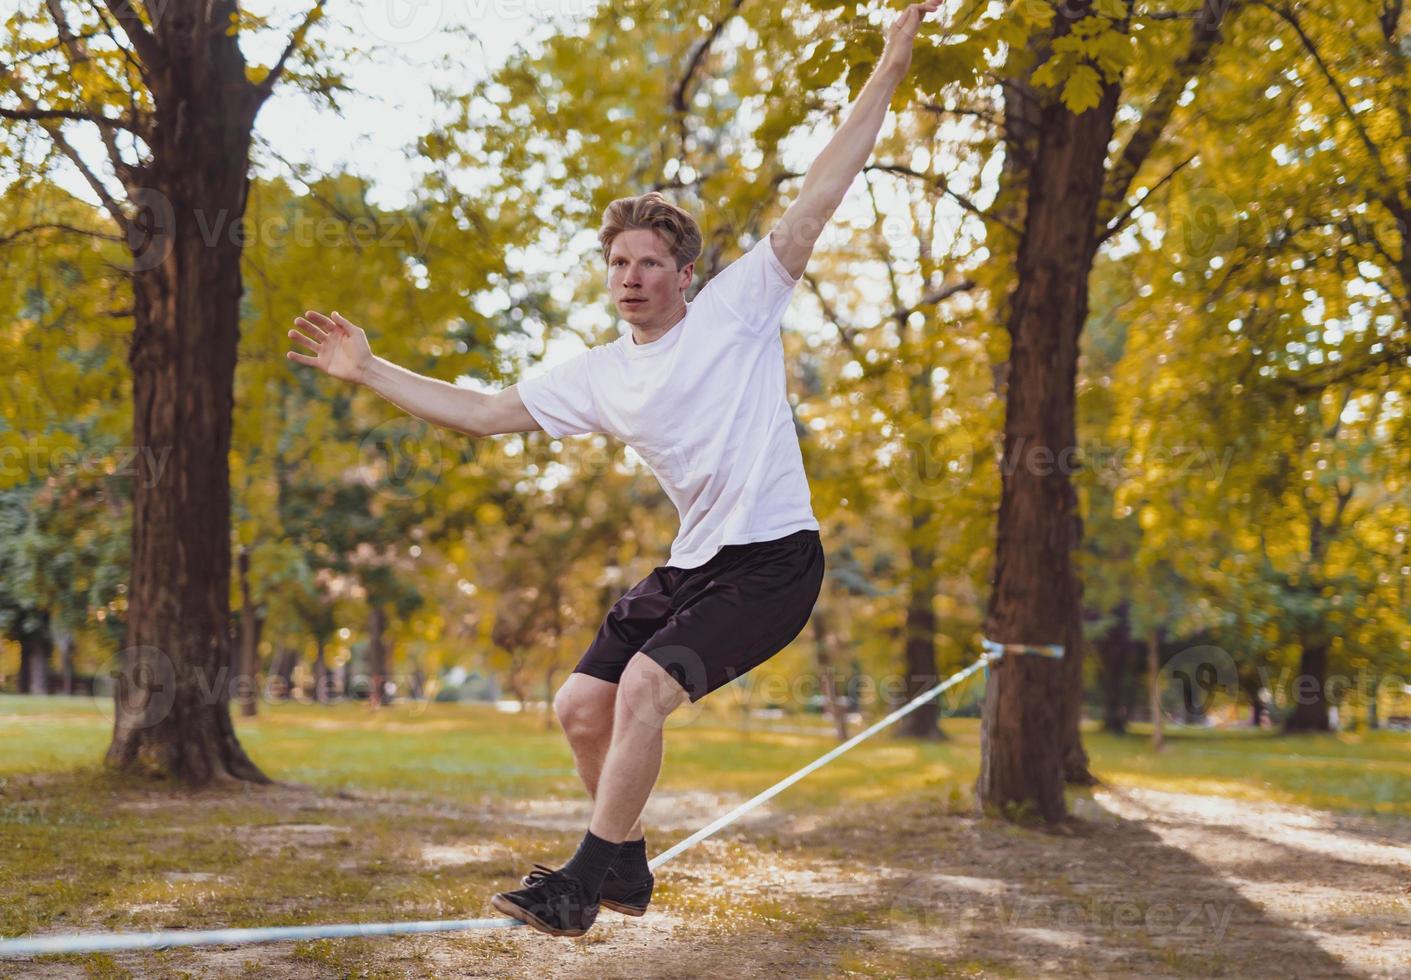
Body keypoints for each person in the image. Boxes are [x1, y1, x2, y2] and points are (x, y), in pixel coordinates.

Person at [286, 0, 942, 938]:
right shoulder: (597, 374)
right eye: (616, 262)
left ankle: (579, 888)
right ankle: (626, 870)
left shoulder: (739, 309)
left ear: (684, 273)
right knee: (580, 706)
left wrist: (895, 49)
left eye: (647, 261)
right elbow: (481, 415)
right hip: (695, 560)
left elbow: (826, 185)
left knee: (642, 689)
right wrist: (369, 369)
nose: (629, 275)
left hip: (774, 562)